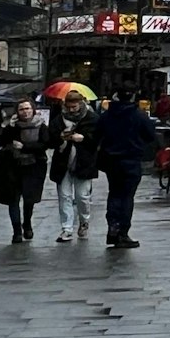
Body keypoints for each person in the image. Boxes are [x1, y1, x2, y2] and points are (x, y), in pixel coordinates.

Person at [94, 86, 158, 249]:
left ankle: (113, 228)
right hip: (131, 160)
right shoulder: (138, 116)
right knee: (127, 196)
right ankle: (123, 232)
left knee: (114, 194)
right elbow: (151, 136)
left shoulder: (107, 115)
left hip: (111, 160)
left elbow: (96, 135)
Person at [0, 98, 51, 243]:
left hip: (34, 166)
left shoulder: (41, 126)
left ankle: (27, 224)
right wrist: (9, 128)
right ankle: (17, 231)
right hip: (12, 166)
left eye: (27, 109)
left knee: (29, 199)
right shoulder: (12, 126)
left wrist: (24, 147)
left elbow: (45, 144)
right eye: (22, 109)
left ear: (33, 110)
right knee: (13, 200)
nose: (25, 112)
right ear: (17, 111)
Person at [50, 92, 101, 242]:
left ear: (81, 104)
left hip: (84, 162)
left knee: (82, 196)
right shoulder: (59, 119)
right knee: (64, 196)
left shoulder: (92, 119)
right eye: (69, 107)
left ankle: (84, 221)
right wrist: (60, 139)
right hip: (63, 162)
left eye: (74, 106)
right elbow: (50, 138)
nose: (71, 110)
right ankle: (67, 228)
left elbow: (98, 139)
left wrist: (84, 138)